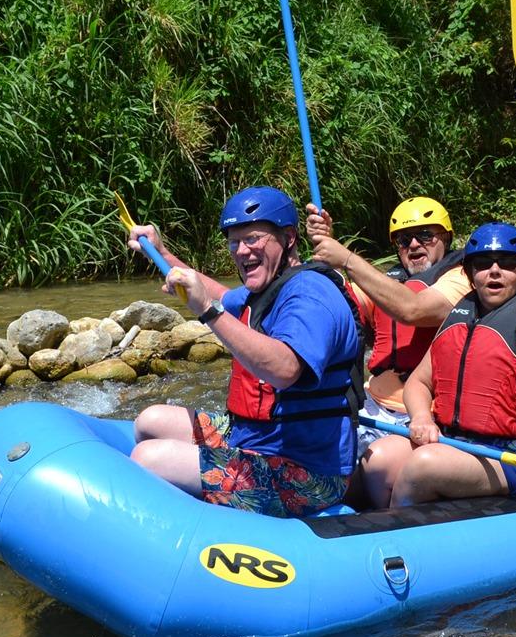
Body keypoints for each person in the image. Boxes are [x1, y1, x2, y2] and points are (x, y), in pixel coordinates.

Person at [124, 186, 361, 518]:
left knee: (150, 458)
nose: (242, 250)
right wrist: (161, 253)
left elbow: (285, 368)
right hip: (257, 438)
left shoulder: (310, 295)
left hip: (308, 471)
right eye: (235, 242)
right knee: (151, 420)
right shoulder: (265, 289)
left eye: (253, 239)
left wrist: (207, 311)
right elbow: (220, 294)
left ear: (289, 238)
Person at [360, 220, 516, 508]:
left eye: (508, 263)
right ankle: (389, 525)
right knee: (379, 461)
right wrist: (422, 417)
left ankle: (397, 535)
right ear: (470, 274)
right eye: (483, 263)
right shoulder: (460, 314)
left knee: (424, 464)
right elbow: (419, 382)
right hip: (459, 442)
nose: (495, 270)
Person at [303, 197, 470, 453]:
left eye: (425, 235)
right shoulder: (389, 282)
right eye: (404, 240)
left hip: (424, 415)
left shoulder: (462, 279)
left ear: (446, 238)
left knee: (374, 461)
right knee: (313, 446)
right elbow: (335, 304)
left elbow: (413, 309)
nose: (413, 245)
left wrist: (347, 259)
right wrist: (324, 259)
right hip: (373, 406)